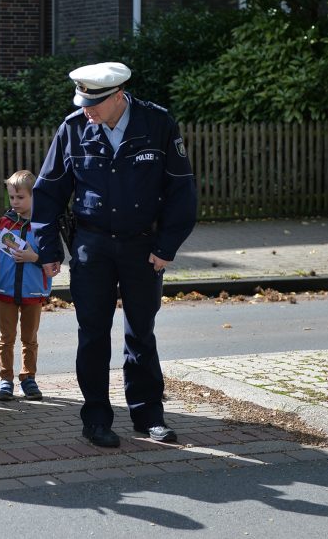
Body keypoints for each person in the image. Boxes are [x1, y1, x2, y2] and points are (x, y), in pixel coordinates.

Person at [31, 62, 198, 448]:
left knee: (141, 331)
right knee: (92, 335)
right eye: (83, 102)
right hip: (92, 246)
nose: (87, 110)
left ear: (118, 96)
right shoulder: (73, 128)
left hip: (143, 247)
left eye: (94, 103)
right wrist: (48, 248)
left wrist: (166, 246)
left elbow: (181, 190)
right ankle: (96, 419)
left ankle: (148, 415)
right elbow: (48, 193)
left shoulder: (157, 124)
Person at [0, 170, 57, 401]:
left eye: (20, 197)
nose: (15, 202)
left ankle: (29, 378)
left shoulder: (45, 226)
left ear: (34, 196)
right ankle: (5, 379)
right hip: (5, 291)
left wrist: (34, 258)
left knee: (29, 339)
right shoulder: (1, 225)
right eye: (12, 197)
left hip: (33, 292)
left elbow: (56, 256)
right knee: (6, 338)